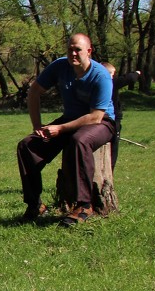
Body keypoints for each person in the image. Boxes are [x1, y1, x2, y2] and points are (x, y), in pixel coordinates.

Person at [16, 33, 116, 227]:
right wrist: (37, 126)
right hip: (69, 120)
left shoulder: (101, 75)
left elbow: (95, 116)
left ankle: (84, 205)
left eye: (77, 49)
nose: (73, 53)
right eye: (70, 49)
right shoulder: (60, 66)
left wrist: (60, 128)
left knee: (79, 141)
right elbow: (34, 91)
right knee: (27, 146)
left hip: (102, 122)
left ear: (89, 51)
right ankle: (35, 204)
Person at [102, 62, 140, 173]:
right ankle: (109, 175)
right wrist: (137, 73)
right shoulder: (110, 83)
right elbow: (129, 78)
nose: (114, 77)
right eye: (112, 74)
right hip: (112, 121)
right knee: (113, 150)